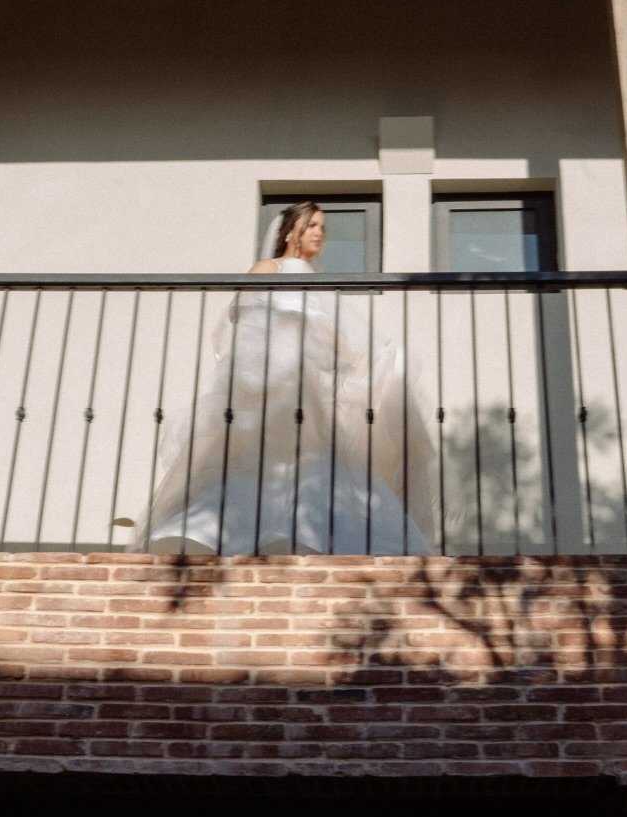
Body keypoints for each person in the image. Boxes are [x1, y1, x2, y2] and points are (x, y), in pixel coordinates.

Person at [128, 201, 437, 555]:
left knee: (313, 456)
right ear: (291, 231)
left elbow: (342, 336)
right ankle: (233, 531)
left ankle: (307, 531)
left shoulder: (317, 281)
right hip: (270, 374)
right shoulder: (269, 267)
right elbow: (241, 315)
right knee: (265, 457)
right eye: (311, 225)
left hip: (309, 379)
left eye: (322, 227)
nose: (319, 233)